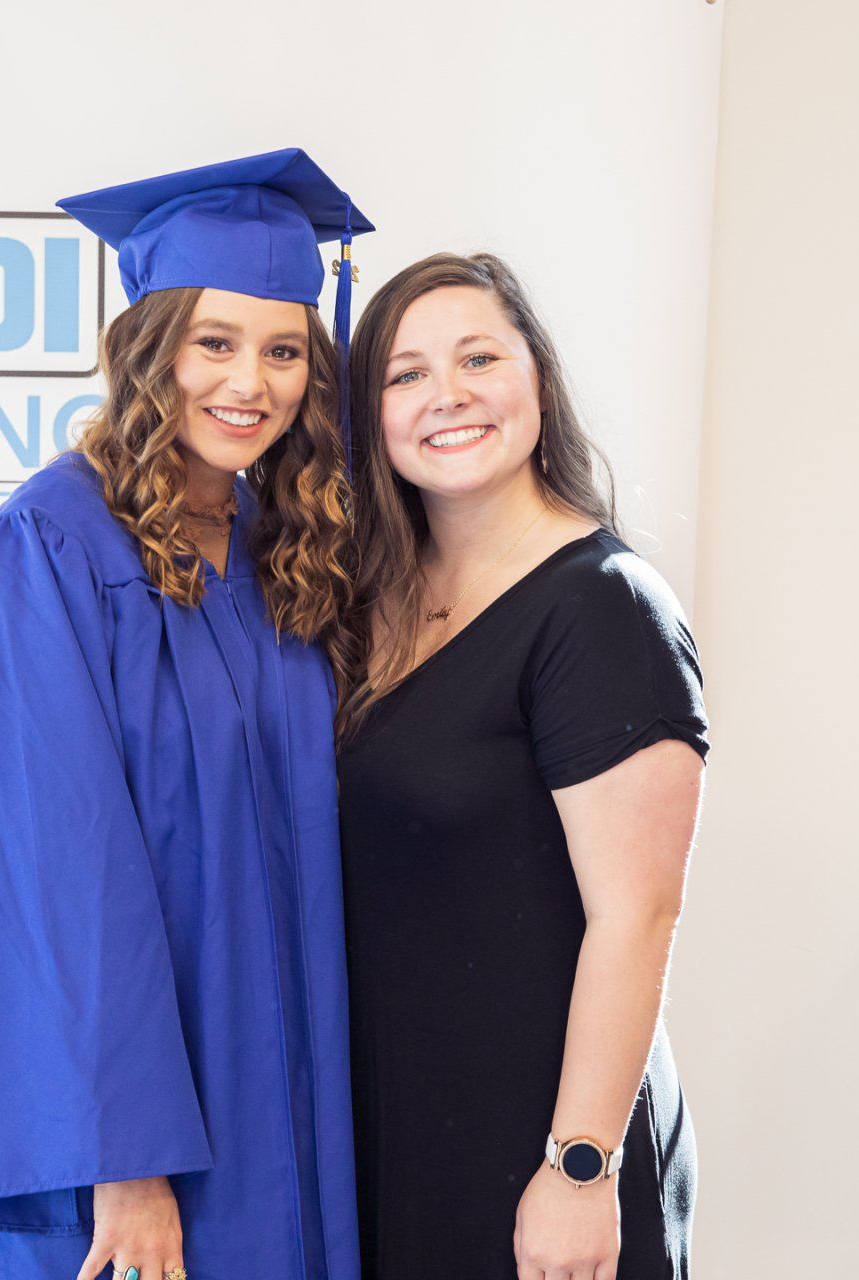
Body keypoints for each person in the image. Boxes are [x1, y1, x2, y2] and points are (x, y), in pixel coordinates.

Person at [0, 149, 370, 1280]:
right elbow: (44, 873)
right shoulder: (47, 553)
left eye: (282, 350)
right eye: (213, 343)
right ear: (148, 351)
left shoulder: (283, 554)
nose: (248, 383)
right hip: (130, 1142)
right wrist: (123, 1156)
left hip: (280, 1107)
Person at [335, 252, 708, 1280]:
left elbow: (638, 915)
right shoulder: (371, 602)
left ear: (536, 378)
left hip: (538, 1147)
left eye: (478, 357)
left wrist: (580, 1165)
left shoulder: (602, 606)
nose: (444, 394)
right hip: (406, 1135)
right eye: (404, 374)